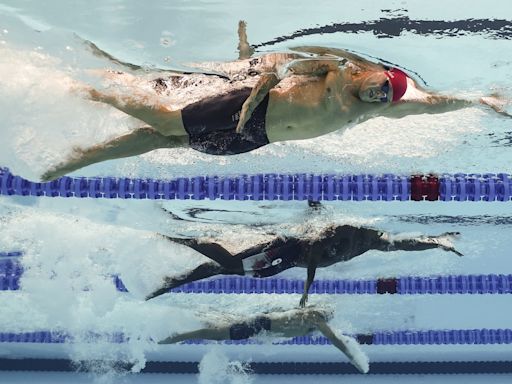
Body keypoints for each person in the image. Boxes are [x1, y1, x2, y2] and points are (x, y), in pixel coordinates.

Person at [40, 21, 508, 181]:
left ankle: (77, 160)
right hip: (254, 109)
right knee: (164, 121)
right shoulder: (338, 70)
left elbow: (432, 105)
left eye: (386, 95)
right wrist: (260, 81)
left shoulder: (378, 108)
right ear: (375, 71)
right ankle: (81, 89)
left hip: (257, 137)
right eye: (382, 84)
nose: (379, 93)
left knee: (161, 143)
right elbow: (284, 68)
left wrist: (478, 101)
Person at [146, 224, 462, 306]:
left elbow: (403, 244)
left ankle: (173, 269)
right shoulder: (355, 240)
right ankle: (177, 245)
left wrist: (436, 240)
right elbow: (311, 256)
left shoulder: (365, 242)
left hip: (271, 264)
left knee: (225, 266)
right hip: (274, 259)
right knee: (227, 264)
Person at [158, 305, 370, 374]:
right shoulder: (315, 318)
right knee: (210, 334)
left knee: (215, 327)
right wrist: (354, 358)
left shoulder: (306, 318)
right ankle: (169, 338)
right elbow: (335, 339)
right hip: (258, 326)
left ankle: (181, 318)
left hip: (259, 326)